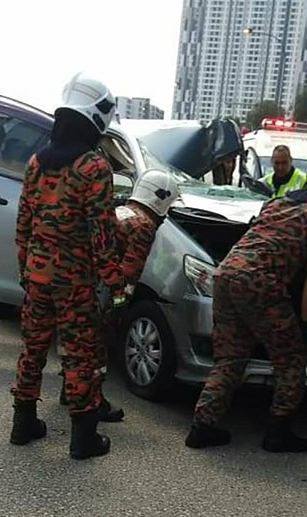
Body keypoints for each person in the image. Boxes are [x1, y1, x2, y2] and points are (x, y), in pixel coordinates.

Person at [185, 145, 307, 451]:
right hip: (260, 283)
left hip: (227, 273)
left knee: (230, 357)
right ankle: (278, 433)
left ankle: (203, 426)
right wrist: (306, 321)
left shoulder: (278, 203)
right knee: (291, 358)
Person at [10, 72, 124, 460]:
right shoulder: (94, 167)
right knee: (80, 356)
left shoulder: (37, 162)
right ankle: (83, 438)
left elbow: (23, 221)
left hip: (39, 277)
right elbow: (102, 231)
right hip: (75, 282)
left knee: (33, 349)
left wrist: (26, 267)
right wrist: (114, 278)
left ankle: (23, 423)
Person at [57, 168, 181, 423]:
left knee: (75, 342)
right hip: (98, 292)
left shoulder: (120, 212)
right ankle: (94, 401)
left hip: (74, 284)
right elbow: (128, 272)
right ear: (162, 199)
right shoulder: (144, 225)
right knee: (97, 347)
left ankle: (69, 390)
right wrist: (118, 308)